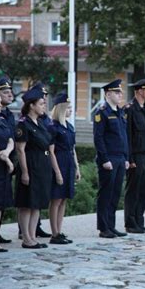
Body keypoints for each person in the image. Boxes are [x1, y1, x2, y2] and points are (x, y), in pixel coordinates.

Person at [15, 87, 53, 249]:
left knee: (37, 203)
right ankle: (26, 238)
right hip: (31, 165)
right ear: (32, 105)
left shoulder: (40, 122)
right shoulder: (23, 124)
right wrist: (24, 172)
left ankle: (33, 237)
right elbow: (20, 149)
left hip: (42, 166)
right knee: (27, 203)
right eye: (41, 104)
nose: (44, 106)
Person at [93, 79, 129, 238]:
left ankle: (111, 225)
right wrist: (104, 159)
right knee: (106, 193)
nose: (120, 94)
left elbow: (124, 137)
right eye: (116, 92)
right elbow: (98, 138)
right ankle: (103, 227)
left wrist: (126, 157)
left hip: (120, 158)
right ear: (108, 94)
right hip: (109, 159)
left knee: (115, 194)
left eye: (120, 92)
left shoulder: (120, 112)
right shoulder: (102, 112)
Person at [124, 78, 145, 234]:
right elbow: (128, 136)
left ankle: (139, 221)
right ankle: (130, 223)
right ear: (139, 91)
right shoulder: (130, 109)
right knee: (133, 191)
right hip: (136, 157)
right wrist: (129, 159)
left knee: (143, 191)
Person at [47, 93, 80, 244]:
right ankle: (54, 233)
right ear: (60, 108)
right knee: (56, 199)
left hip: (68, 163)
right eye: (68, 108)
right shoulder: (53, 126)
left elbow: (73, 149)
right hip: (59, 162)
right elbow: (51, 152)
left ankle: (59, 231)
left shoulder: (69, 126)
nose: (70, 111)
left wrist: (77, 168)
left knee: (64, 198)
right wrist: (57, 172)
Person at [0, 78, 15, 244]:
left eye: (10, 92)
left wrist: (8, 154)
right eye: (5, 92)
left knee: (1, 200)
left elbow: (11, 138)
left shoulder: (6, 116)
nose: (10, 95)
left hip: (5, 163)